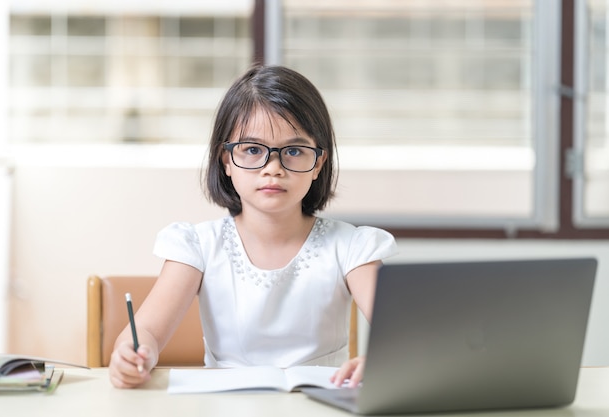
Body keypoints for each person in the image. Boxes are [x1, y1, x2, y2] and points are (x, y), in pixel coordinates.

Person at [108, 65, 397, 389]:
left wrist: (385, 359)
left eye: (293, 151)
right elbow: (145, 331)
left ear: (318, 163)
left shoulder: (351, 247)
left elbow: (406, 337)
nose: (273, 168)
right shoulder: (197, 245)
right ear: (226, 160)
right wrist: (132, 352)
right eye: (253, 149)